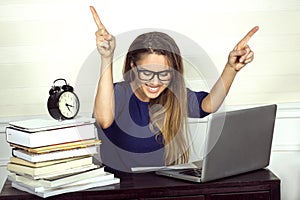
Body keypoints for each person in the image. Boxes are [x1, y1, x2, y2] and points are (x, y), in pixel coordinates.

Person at [90, 6, 259, 172]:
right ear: (133, 66)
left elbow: (208, 106)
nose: (155, 82)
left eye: (164, 73)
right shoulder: (119, 93)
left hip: (162, 186)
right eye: (147, 73)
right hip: (120, 189)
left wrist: (231, 68)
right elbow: (104, 120)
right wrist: (107, 57)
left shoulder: (172, 95)